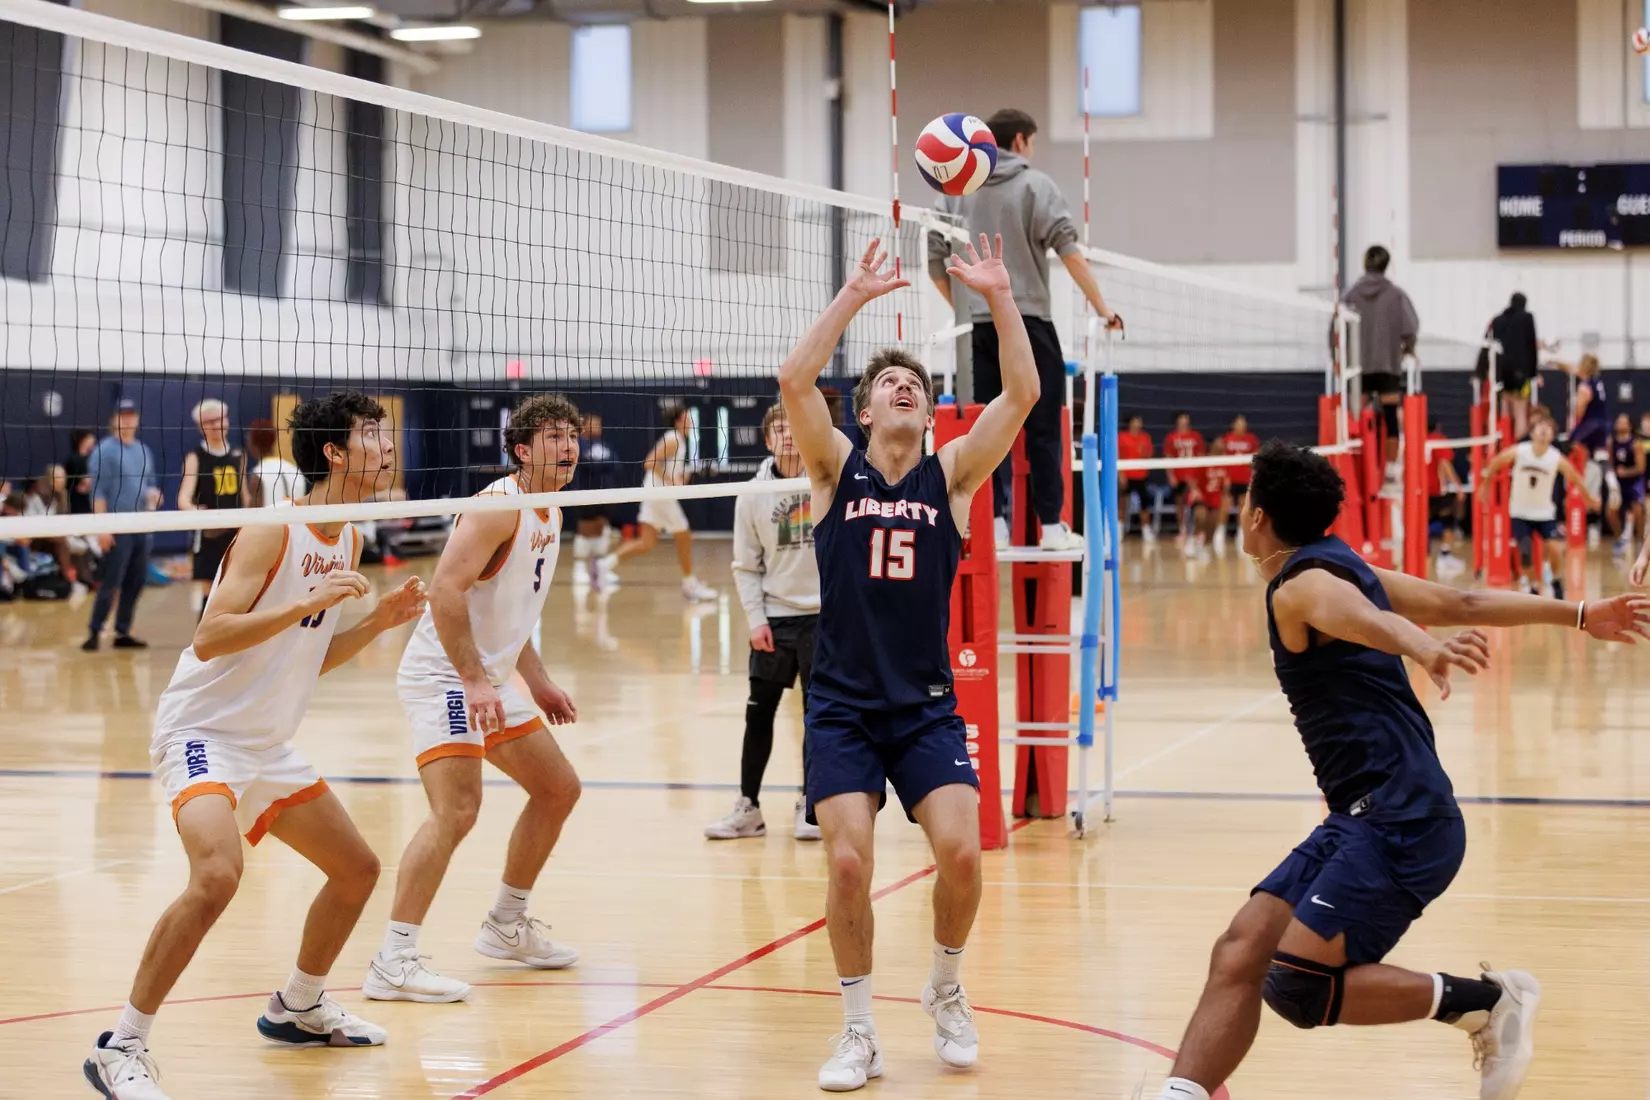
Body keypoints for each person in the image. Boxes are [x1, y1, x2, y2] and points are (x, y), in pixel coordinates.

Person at [1146, 440, 1650, 1100]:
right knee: (1240, 949)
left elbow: (1363, 618)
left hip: (1401, 817)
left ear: (1259, 516)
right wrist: (1580, 615)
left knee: (1297, 984)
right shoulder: (1347, 565)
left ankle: (1489, 1004)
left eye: (1244, 502)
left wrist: (1422, 647)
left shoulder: (1301, 587)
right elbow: (1461, 602)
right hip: (1362, 813)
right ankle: (1180, 1095)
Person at [83, 392, 427, 1100]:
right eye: (372, 435)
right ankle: (121, 1047)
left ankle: (298, 1006)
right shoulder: (276, 528)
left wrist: (379, 622)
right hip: (201, 732)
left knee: (357, 868)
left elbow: (311, 654)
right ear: (334, 453)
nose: (386, 446)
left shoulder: (351, 538)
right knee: (216, 875)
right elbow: (209, 636)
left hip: (267, 745)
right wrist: (305, 602)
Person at [780, 235, 1034, 1091]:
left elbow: (1024, 393)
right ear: (864, 412)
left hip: (925, 705)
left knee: (961, 856)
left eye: (917, 387)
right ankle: (859, 1031)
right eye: (891, 383)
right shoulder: (833, 471)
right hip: (844, 705)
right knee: (849, 862)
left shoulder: (950, 478)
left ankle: (945, 987)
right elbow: (792, 382)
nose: (906, 389)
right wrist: (852, 295)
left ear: (930, 416)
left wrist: (999, 297)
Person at [366, 394, 584, 1005]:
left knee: (558, 788)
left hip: (488, 675)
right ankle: (394, 958)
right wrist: (475, 680)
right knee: (457, 811)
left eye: (572, 435)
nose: (568, 446)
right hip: (447, 676)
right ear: (521, 451)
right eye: (552, 437)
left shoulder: (553, 508)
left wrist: (534, 678)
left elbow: (511, 614)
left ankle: (506, 925)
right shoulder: (498, 508)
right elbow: (445, 590)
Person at [925, 107, 1121, 552]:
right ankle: (1051, 526)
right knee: (1045, 425)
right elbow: (1071, 253)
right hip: (1028, 323)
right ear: (1019, 142)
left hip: (975, 328)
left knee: (985, 428)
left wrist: (968, 309)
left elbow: (934, 260)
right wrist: (1103, 308)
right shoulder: (1036, 184)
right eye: (1032, 142)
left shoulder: (953, 192)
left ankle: (991, 524)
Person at [706, 402, 822, 843]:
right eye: (779, 428)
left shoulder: (829, 477)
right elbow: (745, 564)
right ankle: (749, 807)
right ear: (768, 438)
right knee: (759, 717)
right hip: (776, 619)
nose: (789, 434)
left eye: (796, 426)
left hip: (823, 620)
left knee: (820, 718)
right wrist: (756, 619)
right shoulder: (753, 493)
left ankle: (811, 803)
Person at [1481, 408, 1597, 600]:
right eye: (1540, 427)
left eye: (1548, 429)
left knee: (1555, 548)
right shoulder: (1520, 451)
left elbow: (1575, 478)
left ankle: (1555, 579)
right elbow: (1496, 463)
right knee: (1525, 552)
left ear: (1552, 435)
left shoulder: (1555, 457)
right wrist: (1486, 485)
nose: (1543, 431)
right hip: (1520, 511)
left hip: (1544, 513)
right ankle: (1534, 586)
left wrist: (1589, 498)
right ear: (1532, 432)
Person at [605, 404, 717, 602]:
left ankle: (602, 566)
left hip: (655, 492)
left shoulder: (680, 441)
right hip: (659, 494)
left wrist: (679, 477)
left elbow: (668, 470)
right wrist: (671, 480)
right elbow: (649, 462)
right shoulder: (673, 439)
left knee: (646, 542)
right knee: (684, 535)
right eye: (687, 418)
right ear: (678, 421)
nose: (690, 422)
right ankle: (689, 585)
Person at [84, 400, 161, 652]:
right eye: (122, 415)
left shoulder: (143, 450)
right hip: (117, 526)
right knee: (111, 581)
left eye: (131, 415)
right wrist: (102, 528)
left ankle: (122, 631)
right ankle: (94, 631)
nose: (127, 420)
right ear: (113, 418)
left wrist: (153, 495)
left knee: (136, 581)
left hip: (141, 526)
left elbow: (149, 484)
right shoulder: (104, 451)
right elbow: (98, 492)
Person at [178, 398, 249, 615]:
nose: (216, 425)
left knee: (239, 590)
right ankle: (203, 645)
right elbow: (183, 500)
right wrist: (198, 513)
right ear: (201, 427)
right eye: (209, 421)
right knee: (210, 593)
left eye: (220, 419)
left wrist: (250, 525)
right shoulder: (195, 457)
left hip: (236, 533)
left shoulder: (239, 454)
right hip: (209, 535)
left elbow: (244, 496)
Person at [1341, 245, 1418, 436]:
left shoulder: (1349, 295)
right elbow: (1411, 328)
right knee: (1391, 419)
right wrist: (1407, 348)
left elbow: (1335, 329)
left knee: (1356, 421)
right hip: (1388, 364)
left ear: (1365, 263)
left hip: (1357, 367)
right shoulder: (1396, 295)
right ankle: (1390, 466)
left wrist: (1337, 359)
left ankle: (1359, 463)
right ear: (1386, 265)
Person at [571, 411, 620, 590]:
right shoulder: (579, 444)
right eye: (594, 424)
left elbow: (615, 463)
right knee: (585, 530)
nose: (598, 427)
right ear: (585, 426)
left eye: (599, 424)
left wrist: (600, 465)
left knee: (601, 528)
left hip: (605, 494)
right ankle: (580, 568)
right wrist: (601, 465)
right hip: (586, 493)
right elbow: (587, 464)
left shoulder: (603, 444)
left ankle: (599, 570)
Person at [1486, 293, 1541, 442]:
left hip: (1501, 372)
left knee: (1505, 408)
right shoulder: (1526, 318)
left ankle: (1504, 445)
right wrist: (1533, 373)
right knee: (1520, 411)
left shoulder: (1497, 320)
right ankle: (1519, 446)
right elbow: (1531, 345)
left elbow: (1488, 342)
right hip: (1520, 372)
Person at [1426, 420, 1467, 579]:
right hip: (1436, 490)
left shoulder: (1414, 438)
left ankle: (1428, 559)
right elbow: (1445, 464)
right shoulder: (1439, 439)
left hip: (1418, 491)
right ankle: (1444, 556)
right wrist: (1458, 486)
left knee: (1424, 525)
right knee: (1447, 521)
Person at [1609, 413, 1646, 559]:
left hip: (1634, 482)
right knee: (1611, 511)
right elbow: (1611, 463)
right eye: (1619, 422)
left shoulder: (1635, 444)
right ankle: (1619, 540)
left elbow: (1641, 468)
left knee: (1637, 510)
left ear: (1630, 425)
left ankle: (1640, 542)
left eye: (1624, 422)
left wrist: (1625, 472)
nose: (1621, 425)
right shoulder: (1612, 442)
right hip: (1618, 483)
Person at [1163, 413, 1205, 541]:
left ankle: (1198, 531)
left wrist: (1201, 476)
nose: (1183, 422)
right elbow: (1168, 457)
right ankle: (1183, 530)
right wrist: (1171, 475)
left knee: (1197, 503)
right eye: (1181, 420)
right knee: (1180, 503)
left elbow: (1202, 455)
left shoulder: (1196, 436)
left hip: (1194, 476)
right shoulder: (1171, 437)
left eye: (1186, 420)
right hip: (1179, 475)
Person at [247, 418, 305, 508]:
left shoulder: (258, 475)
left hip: (270, 522)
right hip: (297, 522)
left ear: (252, 443)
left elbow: (253, 516)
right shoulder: (295, 470)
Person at [1118, 414, 1157, 538]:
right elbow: (1118, 456)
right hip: (1127, 475)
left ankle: (1146, 530)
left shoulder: (1145, 437)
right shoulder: (1122, 437)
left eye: (1139, 422)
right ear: (1130, 423)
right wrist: (1121, 475)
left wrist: (1143, 452)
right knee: (1122, 503)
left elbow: (1149, 455)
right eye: (1136, 421)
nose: (1138, 424)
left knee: (1144, 504)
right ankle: (1119, 530)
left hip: (1141, 476)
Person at [64, 428, 96, 515]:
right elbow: (88, 482)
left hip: (91, 504)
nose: (94, 439)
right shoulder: (75, 459)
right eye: (90, 437)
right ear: (83, 440)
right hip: (79, 505)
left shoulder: (92, 459)